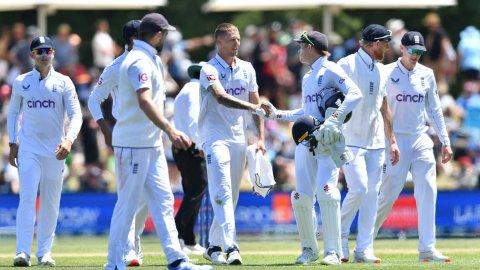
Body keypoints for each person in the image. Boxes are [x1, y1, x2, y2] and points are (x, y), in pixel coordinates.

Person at [104, 13, 211, 270]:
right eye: (165, 34)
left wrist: (164, 133)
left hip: (149, 145)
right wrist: (171, 131)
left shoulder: (150, 58)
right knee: (127, 205)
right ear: (158, 34)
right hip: (132, 144)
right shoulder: (139, 61)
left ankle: (176, 259)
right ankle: (113, 263)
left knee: (164, 201)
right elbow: (144, 101)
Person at [260, 30, 362, 265]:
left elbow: (355, 94)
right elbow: (305, 114)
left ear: (311, 47)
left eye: (301, 45)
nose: (298, 50)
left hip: (327, 141)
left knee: (327, 193)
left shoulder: (331, 69)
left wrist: (334, 120)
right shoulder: (308, 77)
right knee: (300, 197)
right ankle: (309, 249)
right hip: (305, 141)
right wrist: (276, 114)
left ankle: (333, 252)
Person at [374, 31, 453, 263]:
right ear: (402, 48)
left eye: (420, 52)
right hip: (395, 140)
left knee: (428, 190)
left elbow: (435, 110)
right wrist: (387, 139)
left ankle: (427, 248)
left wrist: (445, 141)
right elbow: (377, 107)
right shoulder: (386, 72)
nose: (416, 55)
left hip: (420, 139)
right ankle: (364, 243)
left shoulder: (427, 74)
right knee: (388, 195)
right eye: (412, 50)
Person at [7, 36, 83, 267]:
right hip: (28, 148)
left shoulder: (64, 82)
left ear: (53, 53)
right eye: (39, 51)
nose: (44, 54)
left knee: (51, 202)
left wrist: (69, 141)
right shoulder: (21, 82)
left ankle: (44, 253)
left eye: (48, 50)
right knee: (27, 198)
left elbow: (76, 114)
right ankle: (22, 252)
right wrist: (13, 144)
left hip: (55, 151)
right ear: (31, 55)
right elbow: (12, 113)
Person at [198, 23, 266, 266]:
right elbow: (221, 97)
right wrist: (252, 108)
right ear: (219, 42)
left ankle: (213, 246)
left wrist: (260, 138)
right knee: (223, 191)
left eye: (238, 39)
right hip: (214, 137)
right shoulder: (208, 69)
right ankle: (231, 247)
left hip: (238, 139)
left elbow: (257, 103)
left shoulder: (247, 69)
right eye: (232, 40)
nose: (237, 43)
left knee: (231, 195)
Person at [336, 24, 400, 263]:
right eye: (384, 43)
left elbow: (384, 106)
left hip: (375, 143)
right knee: (359, 188)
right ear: (375, 44)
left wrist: (391, 140)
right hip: (350, 141)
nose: (386, 48)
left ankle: (364, 249)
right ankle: (338, 239)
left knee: (372, 194)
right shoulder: (345, 65)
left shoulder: (382, 70)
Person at [88, 19, 149, 267]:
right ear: (133, 39)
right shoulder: (116, 66)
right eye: (145, 35)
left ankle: (133, 240)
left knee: (151, 196)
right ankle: (126, 251)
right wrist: (105, 129)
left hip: (150, 136)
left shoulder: (151, 61)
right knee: (128, 197)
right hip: (125, 135)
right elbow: (94, 99)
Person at [172, 62, 208, 256]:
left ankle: (188, 239)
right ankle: (177, 233)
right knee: (196, 191)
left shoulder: (186, 88)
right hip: (191, 146)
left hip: (182, 146)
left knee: (192, 191)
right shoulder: (195, 91)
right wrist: (200, 145)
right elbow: (194, 120)